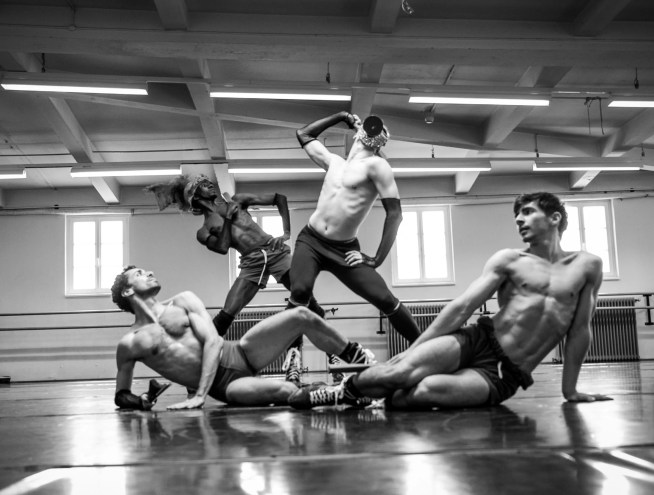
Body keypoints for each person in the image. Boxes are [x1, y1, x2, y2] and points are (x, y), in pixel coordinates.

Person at [288, 192, 613, 410]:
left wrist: (570, 391)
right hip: (478, 340)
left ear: (555, 218)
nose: (519, 219)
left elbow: (579, 330)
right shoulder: (510, 260)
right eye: (517, 215)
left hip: (505, 373)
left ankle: (369, 395)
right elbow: (463, 307)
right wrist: (415, 349)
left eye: (528, 212)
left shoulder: (588, 266)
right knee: (400, 371)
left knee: (418, 394)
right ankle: (341, 392)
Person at [110, 266, 375, 410]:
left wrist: (199, 396)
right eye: (139, 274)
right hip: (225, 386)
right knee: (288, 393)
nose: (149, 273)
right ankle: (345, 393)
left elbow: (213, 341)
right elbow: (121, 395)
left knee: (301, 315)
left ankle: (360, 360)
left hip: (240, 352)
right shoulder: (130, 343)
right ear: (127, 291)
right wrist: (141, 401)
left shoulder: (182, 301)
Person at [145, 175, 324, 383]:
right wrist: (229, 219)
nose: (210, 184)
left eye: (209, 182)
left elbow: (279, 198)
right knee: (225, 316)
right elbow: (222, 248)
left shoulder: (238, 200)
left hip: (275, 252)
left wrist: (285, 233)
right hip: (251, 262)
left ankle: (309, 362)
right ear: (195, 197)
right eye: (203, 185)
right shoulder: (204, 231)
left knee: (307, 301)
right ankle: (195, 368)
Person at [286, 112, 421, 374]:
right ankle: (293, 361)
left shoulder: (377, 165)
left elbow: (395, 214)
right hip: (311, 240)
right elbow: (303, 134)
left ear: (380, 143)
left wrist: (375, 259)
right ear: (357, 132)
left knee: (385, 299)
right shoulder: (334, 162)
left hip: (343, 250)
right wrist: (341, 116)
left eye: (379, 132)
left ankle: (425, 350)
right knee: (299, 291)